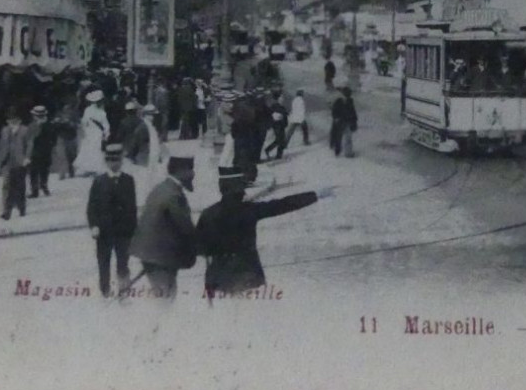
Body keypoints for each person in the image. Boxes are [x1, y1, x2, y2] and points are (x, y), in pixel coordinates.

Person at [196, 166, 328, 297]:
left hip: (218, 278)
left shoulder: (208, 214)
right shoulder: (248, 210)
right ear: (237, 190)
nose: (245, 193)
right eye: (243, 189)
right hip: (248, 275)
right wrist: (314, 195)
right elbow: (282, 205)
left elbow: (199, 247)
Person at [129, 156, 199, 299]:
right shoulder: (173, 195)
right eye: (190, 169)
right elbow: (186, 228)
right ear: (180, 171)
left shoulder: (161, 188)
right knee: (166, 300)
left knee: (164, 295)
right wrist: (204, 245)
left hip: (152, 255)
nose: (193, 174)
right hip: (160, 258)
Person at [86, 141, 138, 297]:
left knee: (123, 263)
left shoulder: (128, 180)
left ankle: (124, 291)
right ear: (106, 161)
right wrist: (94, 225)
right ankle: (105, 291)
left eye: (117, 160)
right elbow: (92, 207)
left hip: (123, 231)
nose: (114, 164)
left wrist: (134, 229)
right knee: (104, 263)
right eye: (110, 160)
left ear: (122, 161)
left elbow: (132, 206)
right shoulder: (99, 181)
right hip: (104, 231)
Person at [0, 107, 31, 220]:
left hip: (21, 162)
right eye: (9, 121)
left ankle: (21, 207)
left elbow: (30, 145)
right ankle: (6, 211)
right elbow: (1, 146)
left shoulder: (25, 130)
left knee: (20, 185)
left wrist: (27, 158)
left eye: (14, 120)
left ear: (19, 120)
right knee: (6, 185)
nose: (11, 123)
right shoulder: (4, 130)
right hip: (7, 161)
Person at [73, 90, 110, 176]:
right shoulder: (101, 112)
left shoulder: (87, 110)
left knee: (88, 149)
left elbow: (84, 122)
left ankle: (86, 168)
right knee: (96, 150)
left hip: (89, 132)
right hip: (97, 133)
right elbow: (106, 125)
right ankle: (95, 168)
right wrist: (106, 134)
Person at [27, 104, 57, 198]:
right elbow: (54, 138)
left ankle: (36, 190)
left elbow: (29, 138)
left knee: (35, 171)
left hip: (36, 151)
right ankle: (43, 187)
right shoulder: (49, 124)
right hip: (45, 151)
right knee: (43, 170)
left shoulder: (33, 125)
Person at [330, 87, 358, 157]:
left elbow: (353, 111)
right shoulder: (339, 101)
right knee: (339, 137)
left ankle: (347, 153)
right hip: (341, 122)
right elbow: (334, 111)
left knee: (347, 137)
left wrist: (354, 120)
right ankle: (338, 150)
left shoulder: (350, 101)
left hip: (347, 121)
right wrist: (336, 118)